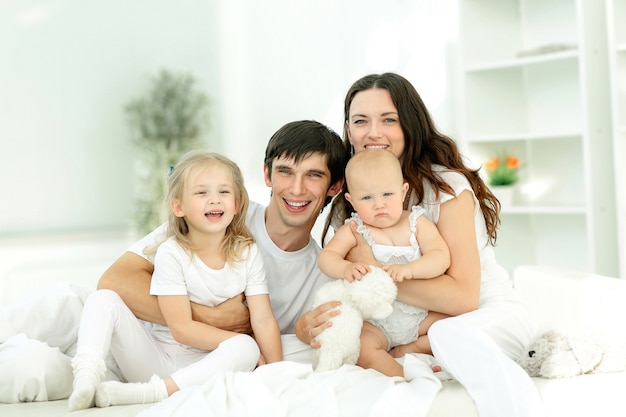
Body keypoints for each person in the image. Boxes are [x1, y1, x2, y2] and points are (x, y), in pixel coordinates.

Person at [300, 73, 543, 417]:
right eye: (360, 121)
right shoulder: (353, 203)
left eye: (389, 119)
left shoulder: (446, 188)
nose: (373, 132)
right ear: (348, 129)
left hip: (482, 315)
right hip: (405, 323)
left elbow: (462, 298)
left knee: (448, 335)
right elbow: (350, 279)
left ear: (410, 124)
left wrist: (376, 275)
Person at [97, 120, 347, 365]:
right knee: (69, 302)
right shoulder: (219, 214)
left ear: (334, 186)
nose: (296, 188)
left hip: (221, 362)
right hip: (151, 345)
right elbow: (114, 281)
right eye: (285, 171)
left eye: (313, 175)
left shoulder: (323, 273)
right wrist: (210, 318)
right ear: (267, 174)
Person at [68, 150, 282, 410]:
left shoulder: (247, 252)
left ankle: (150, 394)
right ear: (178, 206)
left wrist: (277, 373)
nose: (214, 200)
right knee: (103, 298)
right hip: (155, 360)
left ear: (236, 204)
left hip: (205, 370)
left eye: (224, 192)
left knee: (246, 347)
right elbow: (181, 328)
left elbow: (263, 319)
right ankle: (86, 378)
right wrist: (231, 338)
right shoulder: (172, 252)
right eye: (202, 193)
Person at [317, 149, 450, 377]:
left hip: (420, 315)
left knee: (455, 325)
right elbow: (326, 258)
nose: (379, 204)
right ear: (351, 200)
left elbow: (440, 257)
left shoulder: (417, 223)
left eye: (387, 194)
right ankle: (402, 376)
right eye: (367, 198)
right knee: (362, 347)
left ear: (403, 191)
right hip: (378, 322)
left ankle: (413, 348)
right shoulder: (354, 229)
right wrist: (346, 268)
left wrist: (410, 269)